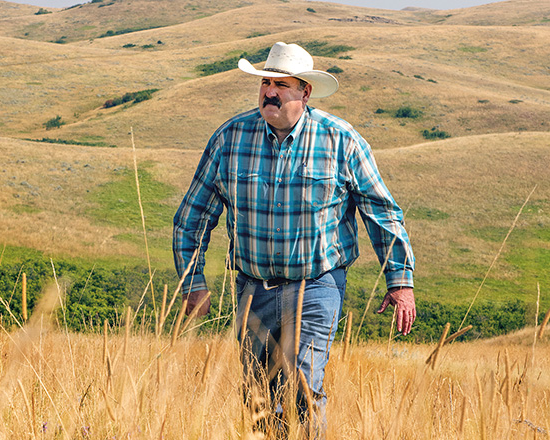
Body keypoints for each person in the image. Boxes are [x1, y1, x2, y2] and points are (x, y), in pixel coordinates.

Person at [172, 42, 415, 437]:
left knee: (303, 388)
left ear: (305, 92)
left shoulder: (341, 140)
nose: (270, 92)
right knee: (258, 398)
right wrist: (193, 282)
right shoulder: (231, 138)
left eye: (281, 85)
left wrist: (400, 281)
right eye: (266, 82)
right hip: (253, 290)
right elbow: (193, 216)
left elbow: (381, 211)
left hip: (316, 287)